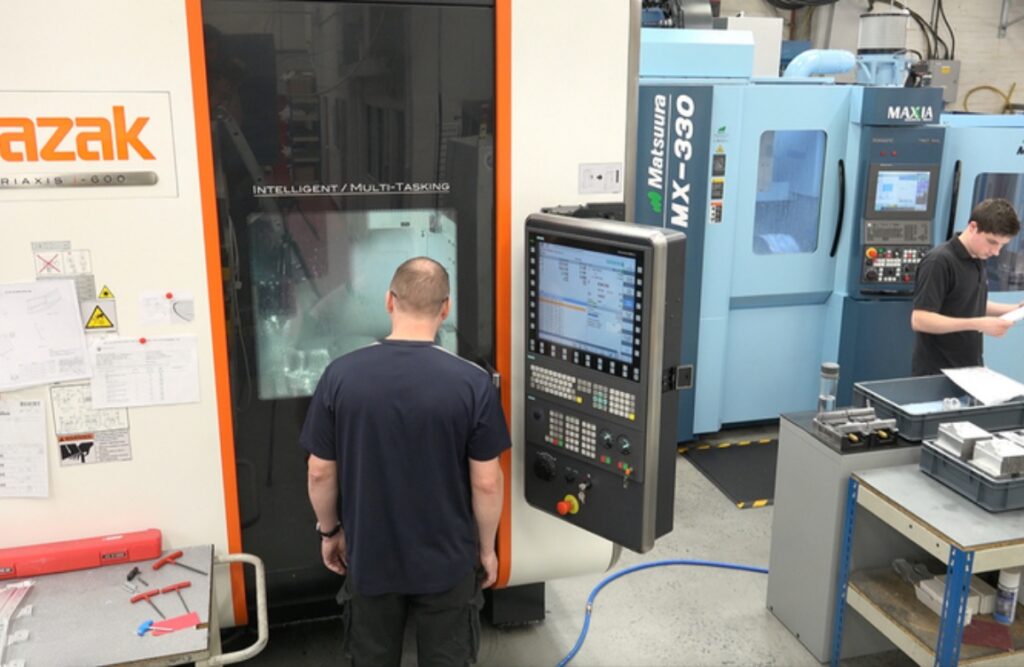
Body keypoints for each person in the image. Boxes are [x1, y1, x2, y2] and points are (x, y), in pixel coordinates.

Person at [301, 257, 510, 667]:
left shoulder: (340, 375)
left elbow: (319, 471)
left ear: (388, 301)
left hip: (370, 557)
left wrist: (330, 532)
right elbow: (487, 482)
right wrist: (486, 549)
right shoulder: (473, 383)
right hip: (448, 562)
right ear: (445, 309)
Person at [911, 197, 1022, 376]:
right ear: (973, 227)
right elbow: (920, 319)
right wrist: (978, 323)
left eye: (1002, 245)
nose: (996, 252)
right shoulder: (939, 261)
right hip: (937, 374)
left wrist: (1015, 309)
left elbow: (970, 302)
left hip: (970, 369)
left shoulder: (978, 257)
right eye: (992, 242)